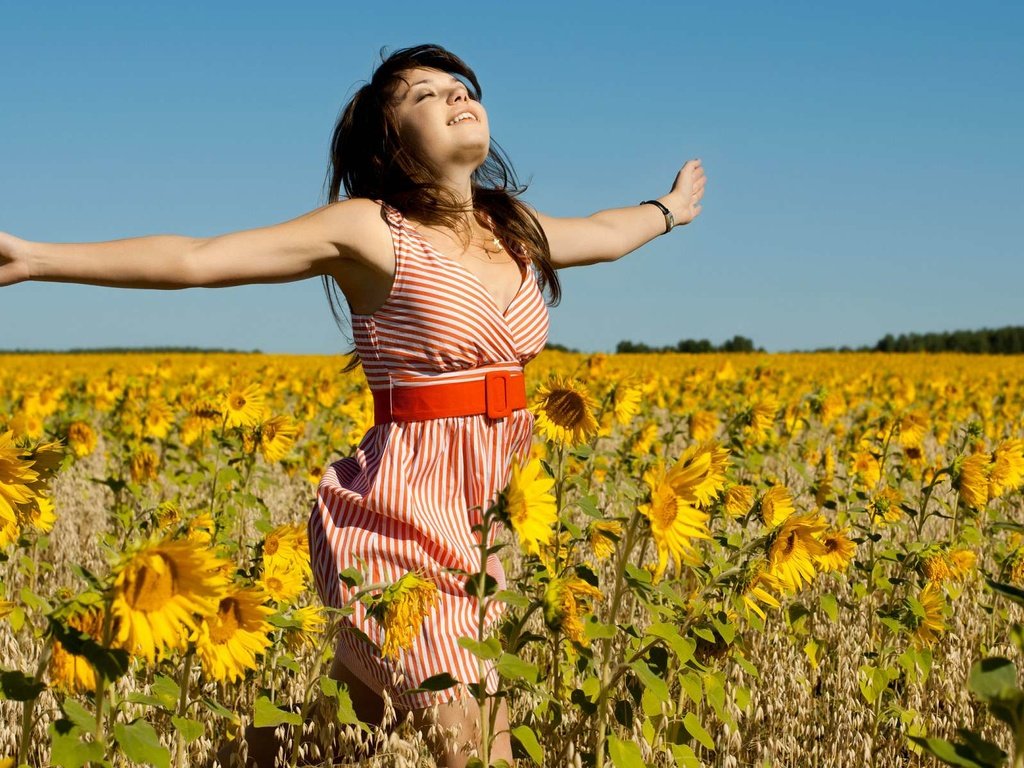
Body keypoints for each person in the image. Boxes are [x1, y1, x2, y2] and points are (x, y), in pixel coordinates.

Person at [0, 43, 705, 767]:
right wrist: (37, 258)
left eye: (461, 86)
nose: (456, 97)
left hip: (481, 523)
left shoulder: (512, 229)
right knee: (470, 736)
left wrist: (667, 210)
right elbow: (199, 258)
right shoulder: (371, 230)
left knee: (339, 722)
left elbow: (607, 233)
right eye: (424, 95)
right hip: (393, 519)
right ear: (391, 143)